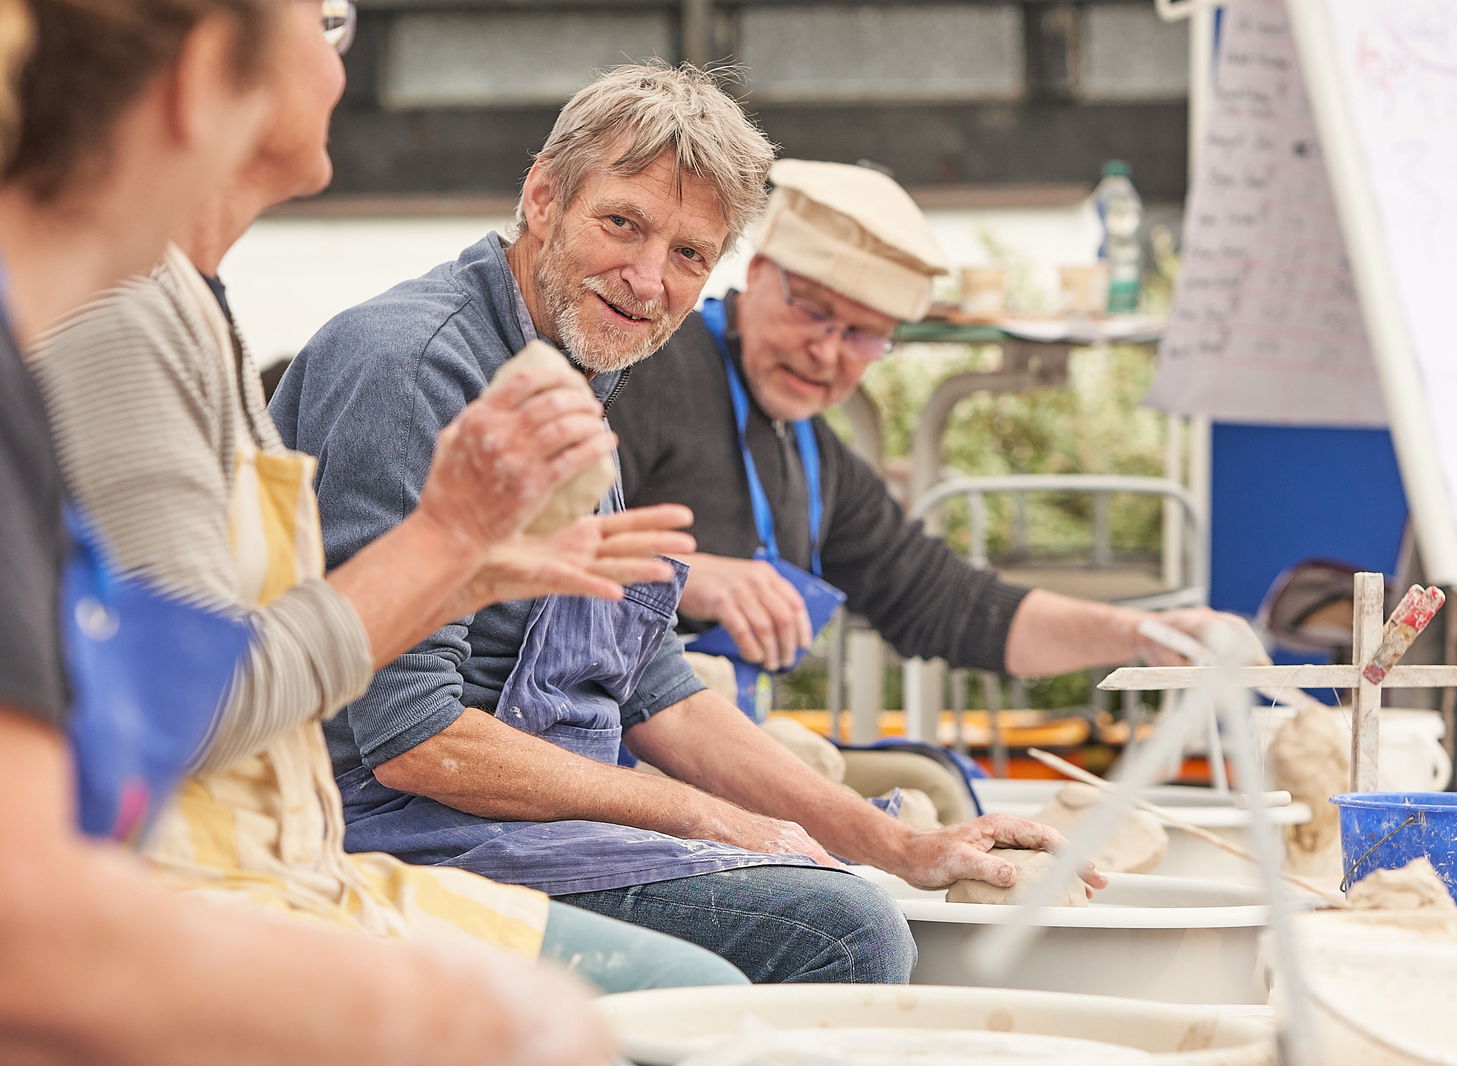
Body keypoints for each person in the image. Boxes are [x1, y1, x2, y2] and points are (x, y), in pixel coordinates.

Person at [273, 61, 1098, 986]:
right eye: (623, 223)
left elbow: (649, 686)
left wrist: (903, 844)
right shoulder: (416, 366)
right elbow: (408, 735)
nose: (645, 278)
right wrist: (699, 817)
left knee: (873, 894)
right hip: (393, 840)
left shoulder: (581, 373)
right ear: (542, 196)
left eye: (689, 255)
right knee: (843, 935)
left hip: (525, 828)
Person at [32, 0, 743, 997]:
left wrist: (457, 567)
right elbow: (183, 717)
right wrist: (444, 548)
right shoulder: (123, 316)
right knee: (728, 987)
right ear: (199, 72)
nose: (343, 58)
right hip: (218, 887)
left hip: (296, 867)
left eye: (689, 255)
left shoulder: (189, 306)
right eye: (323, 23)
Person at [611, 159, 1241, 708]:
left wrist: (1141, 634)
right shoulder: (648, 367)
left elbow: (945, 601)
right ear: (759, 272)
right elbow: (537, 546)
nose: (826, 354)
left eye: (863, 336)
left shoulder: (813, 453)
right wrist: (686, 575)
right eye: (813, 311)